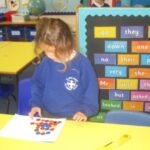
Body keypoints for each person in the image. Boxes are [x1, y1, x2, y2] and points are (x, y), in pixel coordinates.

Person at [29, 18, 99, 121]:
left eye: (53, 51)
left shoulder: (82, 64)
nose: (49, 55)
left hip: (74, 117)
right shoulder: (46, 62)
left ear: (67, 44)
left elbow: (91, 91)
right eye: (46, 51)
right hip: (47, 114)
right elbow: (37, 84)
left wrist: (84, 110)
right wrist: (36, 104)